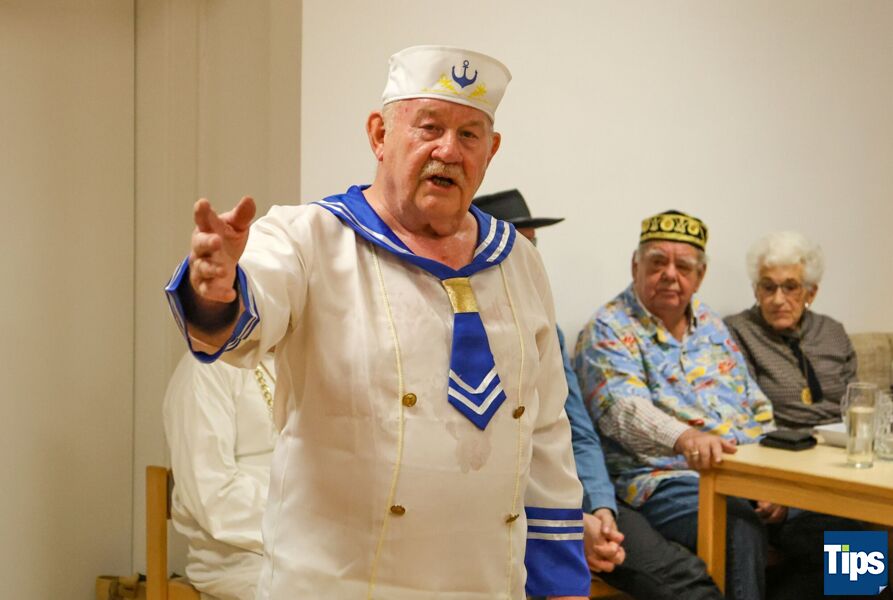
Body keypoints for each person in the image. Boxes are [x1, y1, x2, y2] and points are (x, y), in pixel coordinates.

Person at [164, 46, 589, 599]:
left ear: (492, 151)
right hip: (338, 585)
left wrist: (562, 583)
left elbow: (546, 431)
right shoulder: (308, 237)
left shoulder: (519, 261)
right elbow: (245, 315)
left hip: (487, 581)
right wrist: (216, 291)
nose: (448, 150)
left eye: (469, 135)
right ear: (379, 135)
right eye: (429, 127)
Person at [475, 191, 723, 600]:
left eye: (533, 248)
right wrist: (572, 518)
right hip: (629, 490)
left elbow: (577, 432)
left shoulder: (546, 330)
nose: (527, 262)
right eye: (516, 249)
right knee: (730, 535)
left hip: (598, 496)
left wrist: (596, 509)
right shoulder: (608, 327)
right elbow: (619, 412)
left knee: (832, 541)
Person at [574, 210, 778, 600]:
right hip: (665, 482)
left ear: (700, 276)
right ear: (635, 266)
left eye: (683, 266)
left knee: (849, 530)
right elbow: (622, 411)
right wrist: (685, 438)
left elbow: (756, 405)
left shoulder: (712, 324)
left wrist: (771, 478)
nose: (670, 274)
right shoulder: (609, 327)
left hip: (744, 476)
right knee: (738, 524)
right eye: (657, 263)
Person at [163, 351, 278, 600]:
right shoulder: (204, 368)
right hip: (241, 559)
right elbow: (213, 493)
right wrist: (302, 528)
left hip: (307, 543)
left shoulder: (298, 359)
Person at [724, 231, 857, 430]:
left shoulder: (832, 331)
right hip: (782, 439)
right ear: (756, 291)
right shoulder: (739, 331)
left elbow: (857, 401)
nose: (778, 300)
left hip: (840, 437)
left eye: (790, 287)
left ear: (811, 293)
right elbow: (745, 408)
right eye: (768, 287)